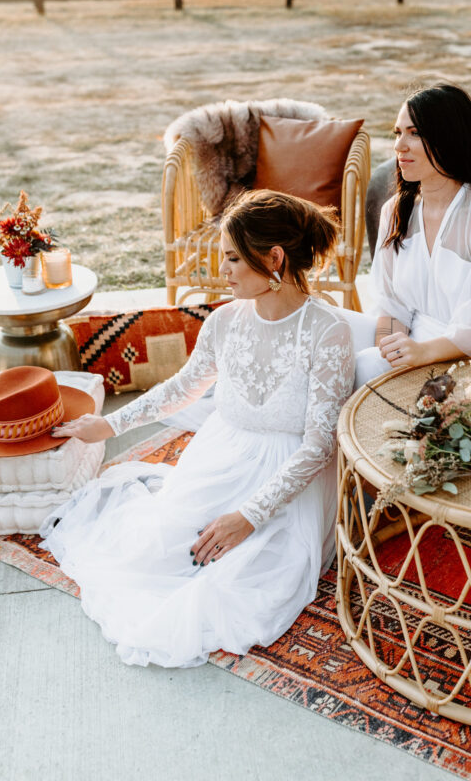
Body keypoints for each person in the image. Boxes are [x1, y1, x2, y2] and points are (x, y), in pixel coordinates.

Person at [40, 190, 355, 669]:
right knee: (155, 554)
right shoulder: (225, 321)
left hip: (288, 482)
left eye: (232, 258)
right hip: (220, 456)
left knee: (242, 586)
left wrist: (248, 516)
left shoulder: (327, 332)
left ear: (273, 258)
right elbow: (183, 388)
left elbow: (317, 448)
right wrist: (109, 424)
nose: (221, 271)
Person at [354, 81, 471, 388]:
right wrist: (391, 354)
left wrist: (422, 354)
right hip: (413, 348)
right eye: (398, 132)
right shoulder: (395, 212)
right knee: (343, 348)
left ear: (448, 138)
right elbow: (391, 306)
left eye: (415, 133)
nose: (399, 146)